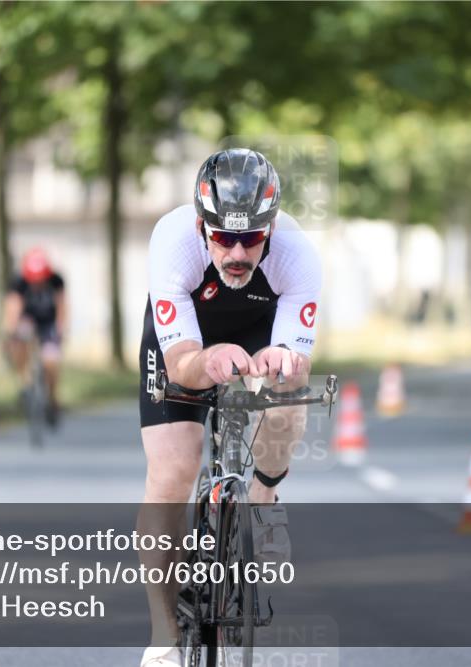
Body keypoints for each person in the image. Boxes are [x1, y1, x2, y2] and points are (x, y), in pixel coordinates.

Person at [136, 148, 321, 667]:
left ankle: (263, 502)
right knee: (173, 470)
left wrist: (278, 363)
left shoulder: (298, 254)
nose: (237, 252)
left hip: (260, 333)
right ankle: (163, 636)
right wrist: (209, 358)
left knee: (286, 392)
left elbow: (296, 362)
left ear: (272, 226)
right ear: (201, 225)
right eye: (222, 237)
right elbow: (179, 364)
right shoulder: (171, 243)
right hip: (186, 344)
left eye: (251, 239)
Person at [2, 247, 67, 427]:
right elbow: (12, 310)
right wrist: (11, 333)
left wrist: (61, 330)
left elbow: (62, 308)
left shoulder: (56, 281)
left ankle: (52, 400)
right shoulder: (18, 282)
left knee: (51, 360)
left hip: (49, 324)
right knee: (19, 343)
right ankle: (25, 383)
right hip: (28, 322)